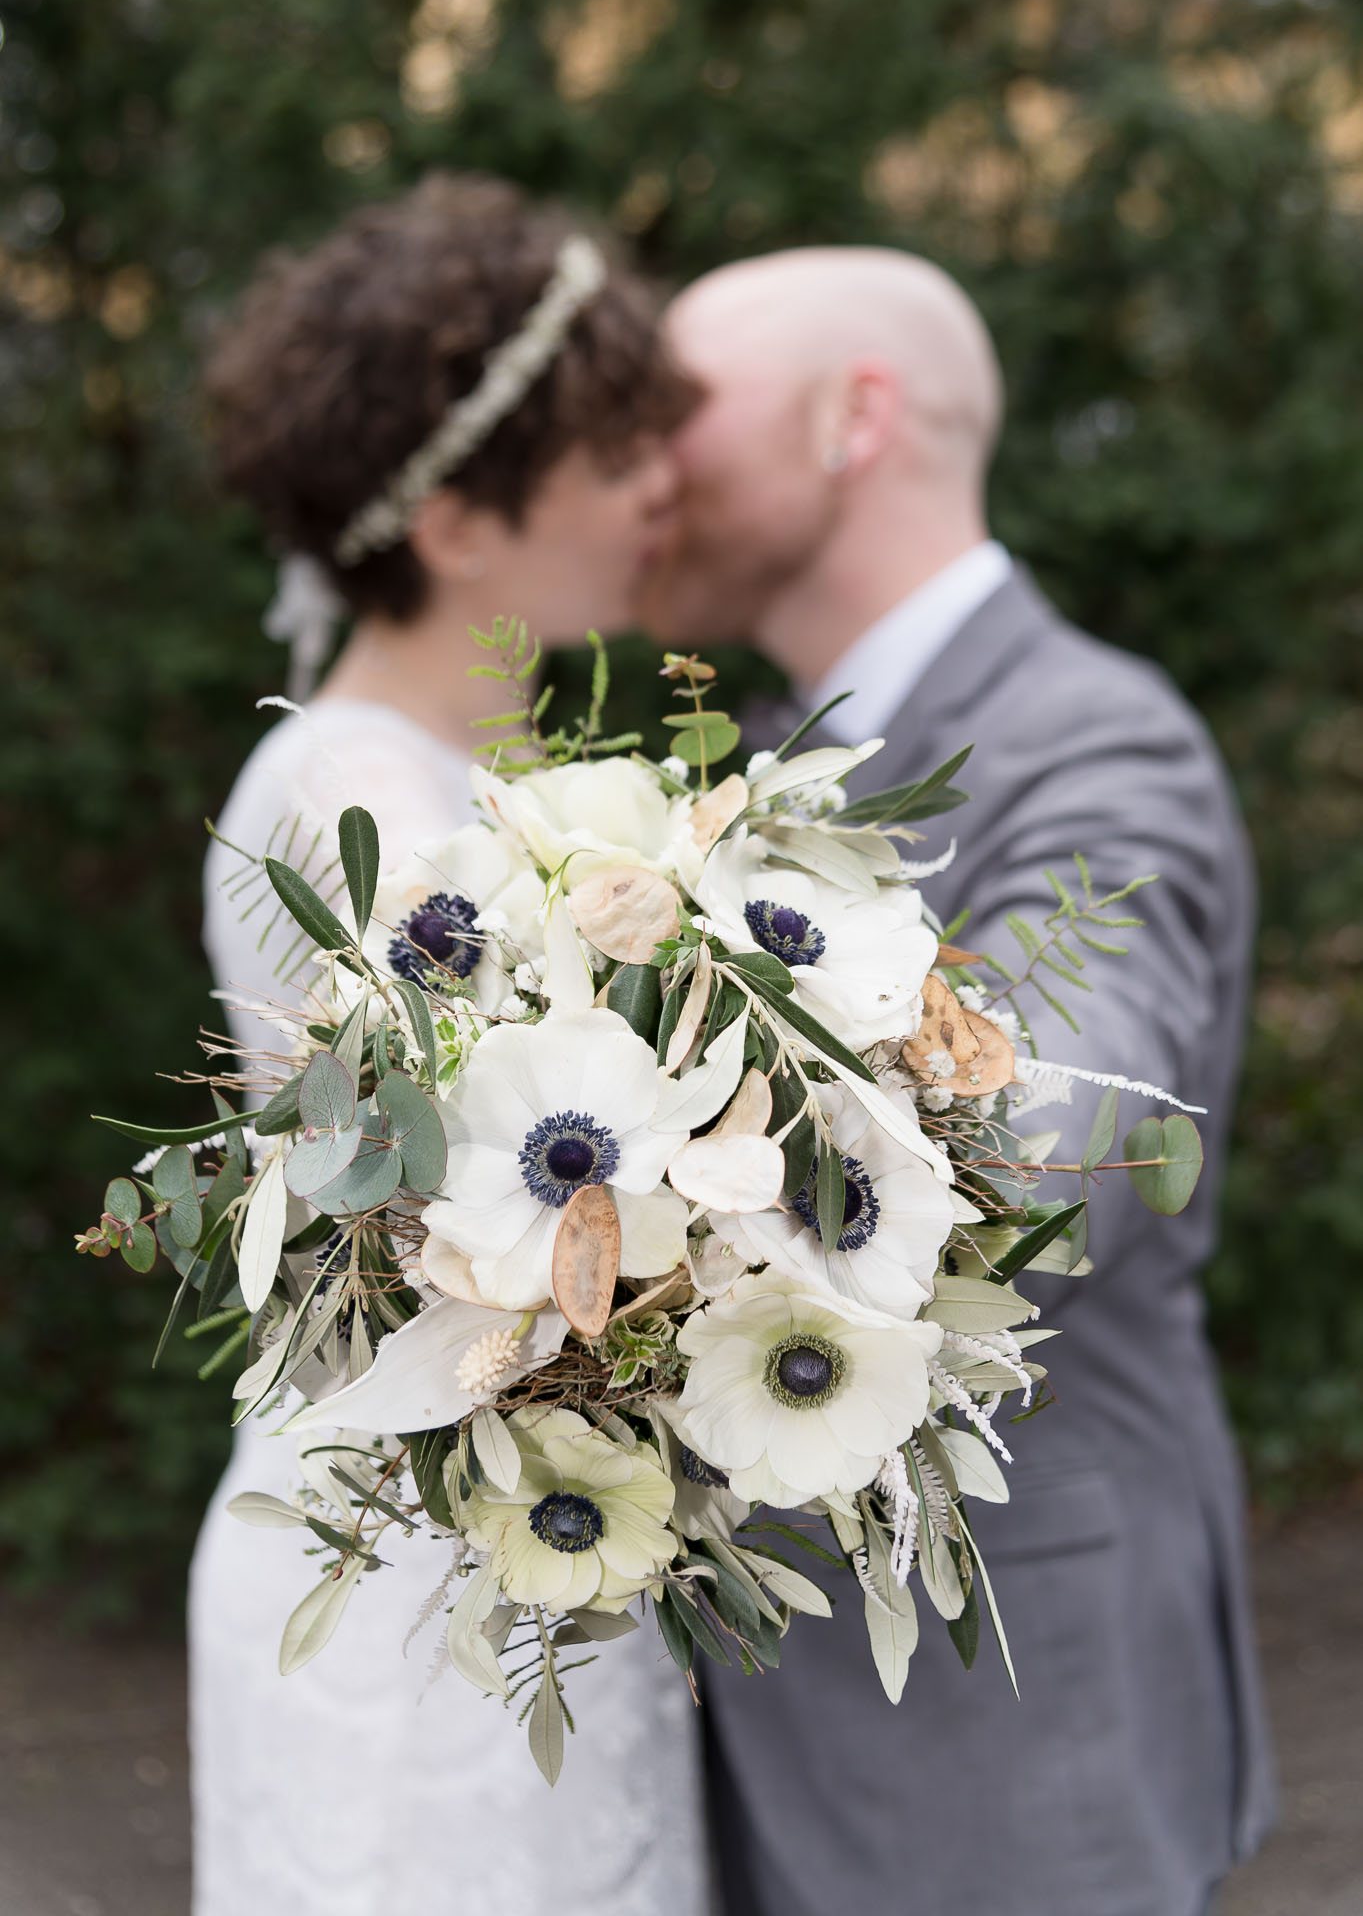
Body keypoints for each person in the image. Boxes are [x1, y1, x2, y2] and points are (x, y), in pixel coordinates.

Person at [643, 246, 1277, 1916]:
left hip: (1001, 1714)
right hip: (746, 1707)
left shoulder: (1094, 744)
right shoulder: (754, 751)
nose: (642, 466)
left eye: (677, 414)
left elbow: (1063, 1165)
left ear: (854, 421)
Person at [192, 173, 709, 1916]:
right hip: (409, 1570)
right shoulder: (339, 800)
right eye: (616, 453)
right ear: (460, 526)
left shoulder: (471, 786)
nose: (665, 488)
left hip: (531, 1540)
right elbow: (463, 1223)